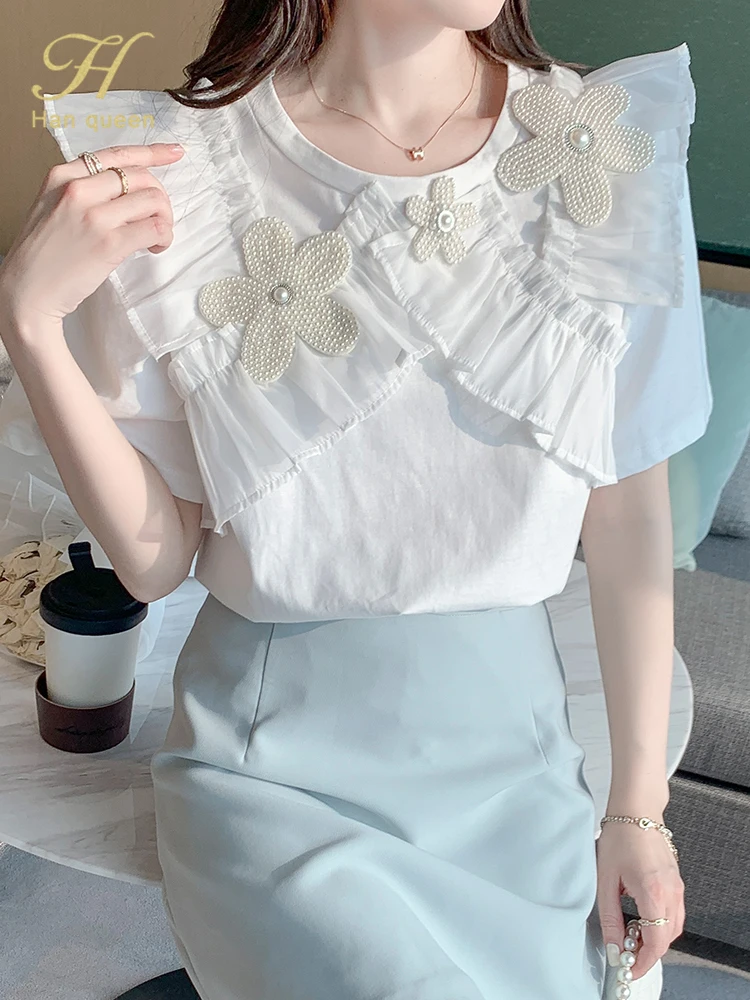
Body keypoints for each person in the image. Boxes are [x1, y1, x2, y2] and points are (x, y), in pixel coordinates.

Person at [0, 1, 711, 997]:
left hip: (517, 775)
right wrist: (31, 322)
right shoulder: (178, 169)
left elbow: (630, 513)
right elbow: (156, 562)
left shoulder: (602, 147)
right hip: (271, 777)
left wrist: (639, 812)